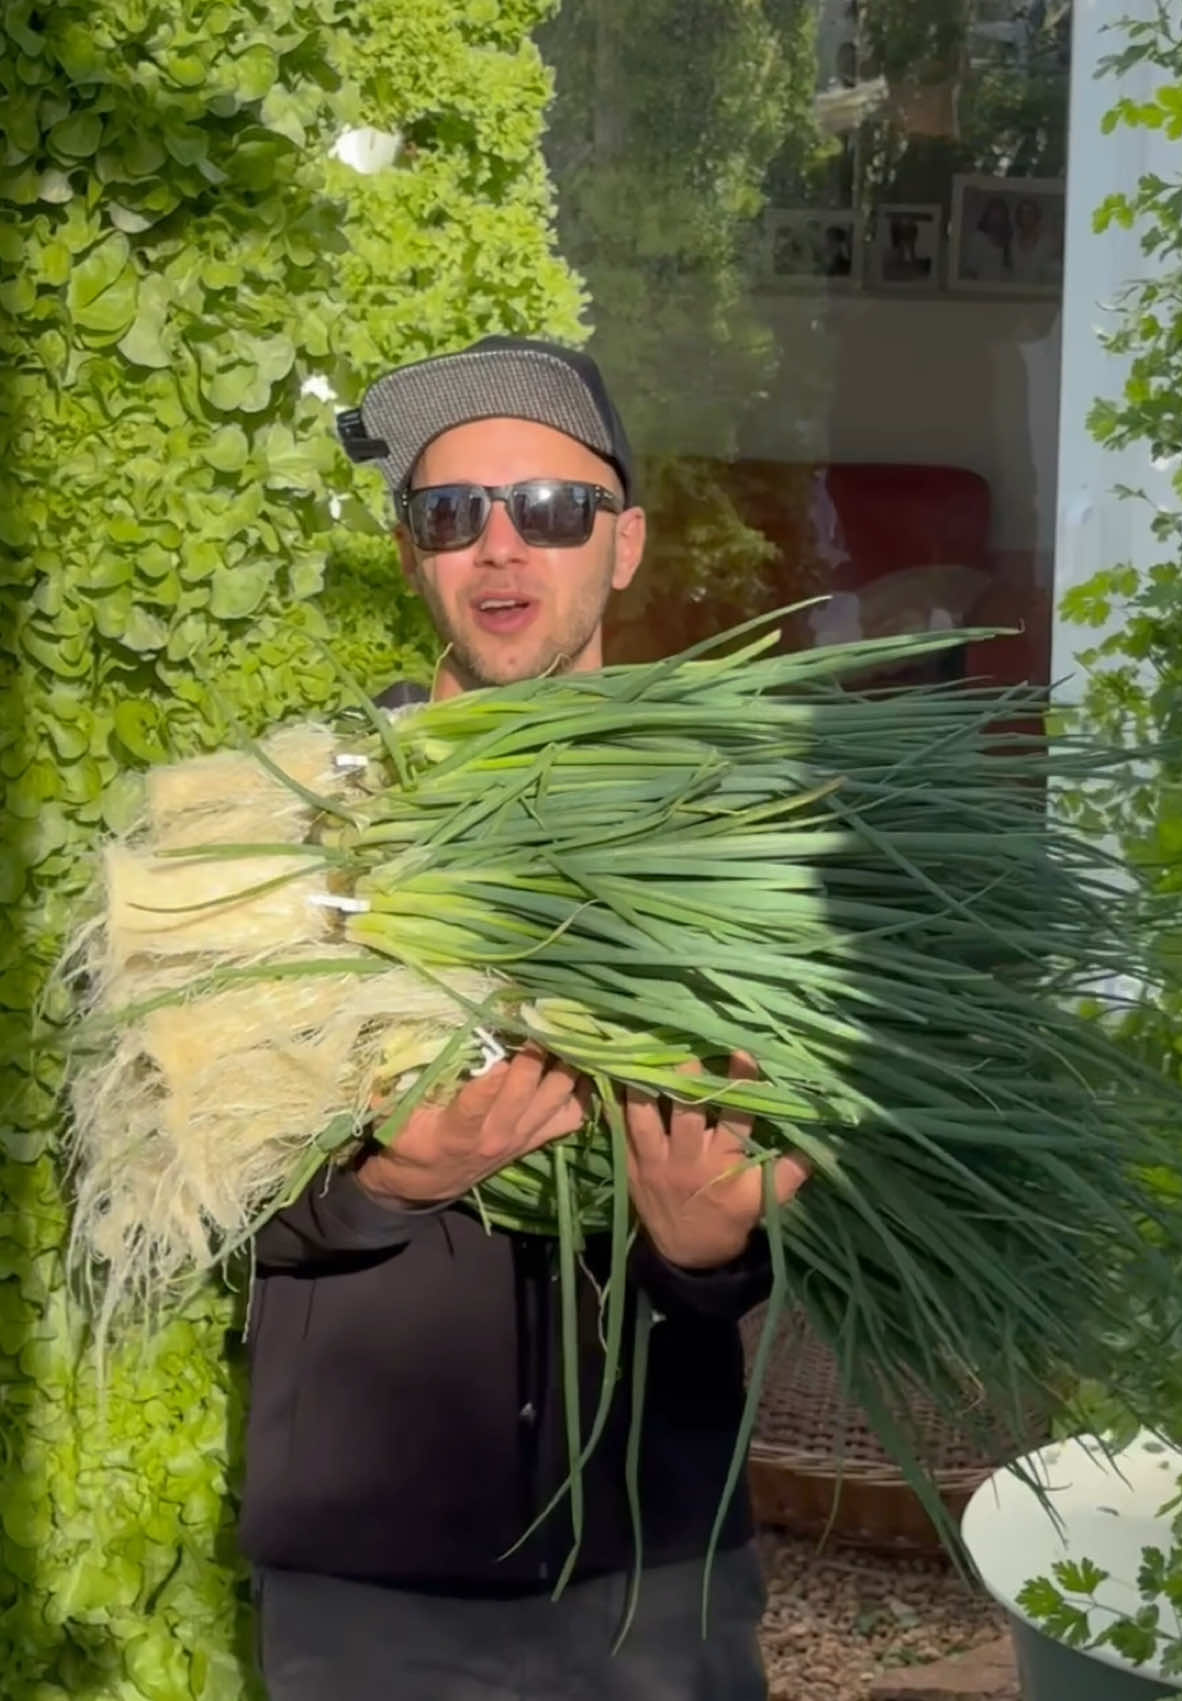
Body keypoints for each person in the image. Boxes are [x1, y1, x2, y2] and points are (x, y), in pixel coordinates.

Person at [238, 335, 810, 1701]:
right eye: (452, 513)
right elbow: (182, 1187)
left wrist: (705, 1254)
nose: (500, 550)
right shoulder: (298, 821)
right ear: (409, 554)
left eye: (550, 511)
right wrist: (382, 1185)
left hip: (652, 1556)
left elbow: (840, 1187)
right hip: (373, 1574)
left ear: (622, 545)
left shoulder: (732, 827)